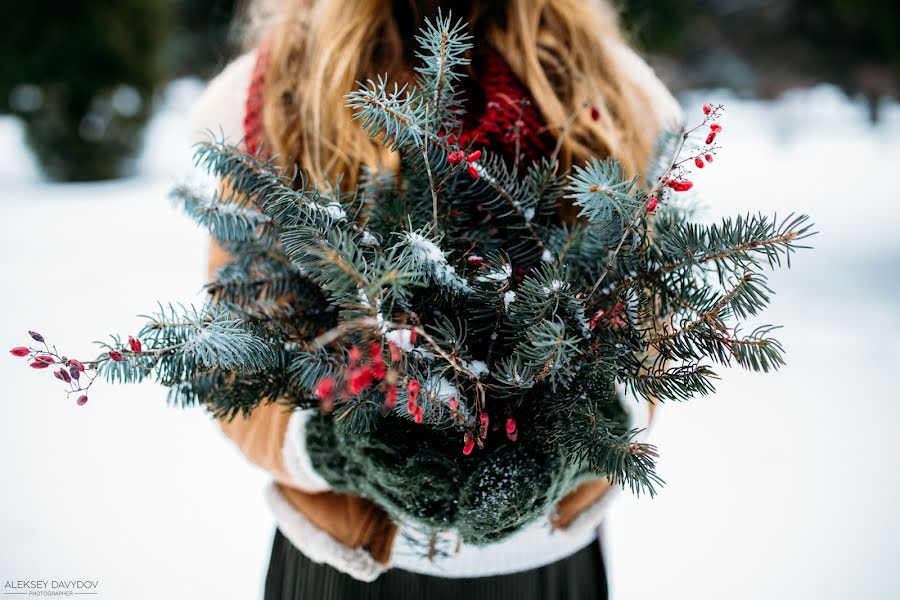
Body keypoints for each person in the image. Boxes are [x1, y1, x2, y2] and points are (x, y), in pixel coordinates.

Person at [190, 1, 680, 598]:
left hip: (549, 563)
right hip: (347, 567)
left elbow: (648, 332)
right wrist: (329, 450)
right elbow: (230, 356)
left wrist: (585, 435)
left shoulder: (606, 85)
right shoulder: (279, 87)